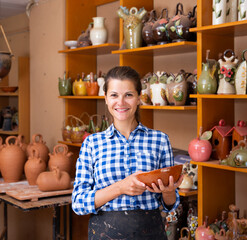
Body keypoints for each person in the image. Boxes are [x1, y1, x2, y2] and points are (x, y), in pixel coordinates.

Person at [72, 66, 183, 240]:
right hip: (105, 233)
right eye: (114, 95)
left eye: (129, 95)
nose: (121, 102)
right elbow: (79, 203)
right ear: (106, 99)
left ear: (139, 98)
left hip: (150, 232)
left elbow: (170, 204)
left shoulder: (160, 140)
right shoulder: (92, 144)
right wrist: (120, 187)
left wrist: (169, 191)